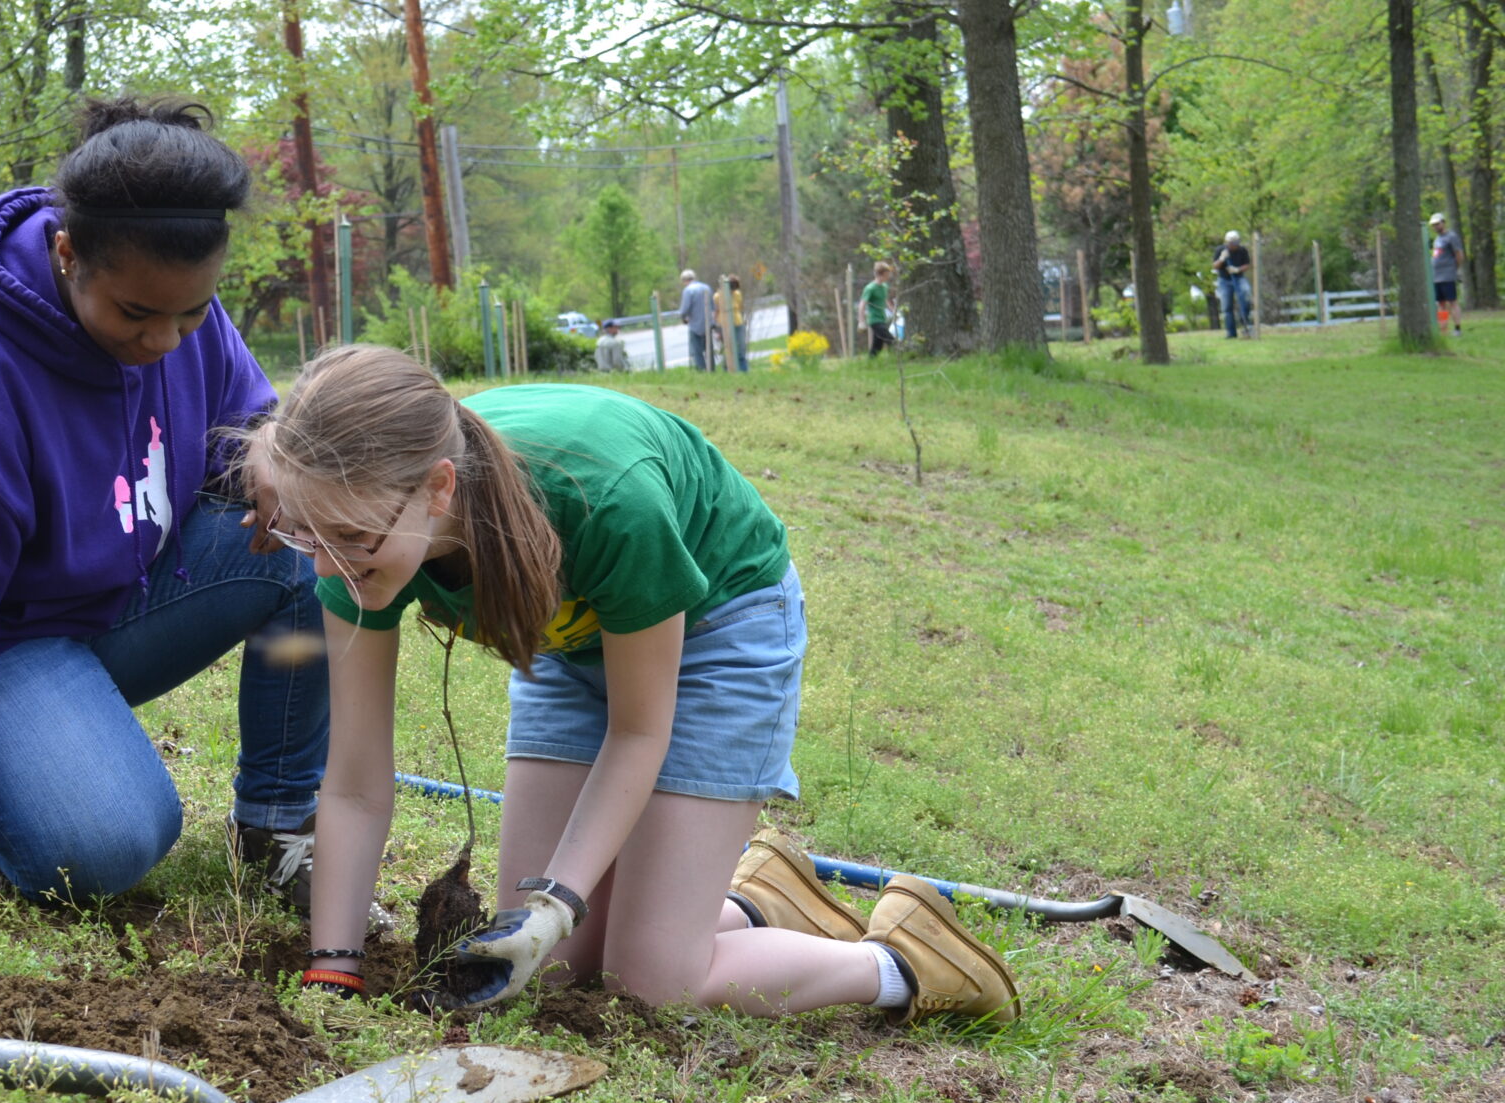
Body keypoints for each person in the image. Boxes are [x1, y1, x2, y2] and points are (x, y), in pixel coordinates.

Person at [241, 344, 1021, 1027]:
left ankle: (905, 960)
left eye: (348, 538)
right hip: (571, 650)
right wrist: (334, 963)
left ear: (439, 489)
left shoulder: (608, 500)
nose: (326, 566)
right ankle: (753, 898)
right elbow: (353, 783)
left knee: (649, 980)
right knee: (547, 969)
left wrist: (556, 902)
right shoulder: (352, 541)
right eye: (309, 536)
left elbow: (640, 729)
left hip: (717, 628)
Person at [0, 96, 329, 927]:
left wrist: (268, 444)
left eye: (191, 313)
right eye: (136, 315)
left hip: (107, 601)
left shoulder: (180, 305)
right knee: (112, 842)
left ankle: (274, 828)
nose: (166, 339)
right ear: (66, 252)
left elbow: (242, 422)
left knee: (306, 536)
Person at [1430, 212, 1465, 336]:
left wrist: (1456, 269)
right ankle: (1443, 328)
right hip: (1436, 276)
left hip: (1448, 275)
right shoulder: (1437, 239)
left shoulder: (1451, 236)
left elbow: (1459, 254)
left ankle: (1457, 328)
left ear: (1443, 223)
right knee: (1441, 303)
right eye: (1433, 225)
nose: (1436, 227)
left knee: (1452, 301)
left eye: (1437, 224)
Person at [1212, 230, 1252, 338]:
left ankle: (1245, 325)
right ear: (1227, 243)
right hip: (1224, 280)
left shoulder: (1242, 250)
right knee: (1226, 307)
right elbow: (1215, 266)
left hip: (1239, 278)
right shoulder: (1220, 250)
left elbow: (1247, 265)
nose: (1234, 245)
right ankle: (1231, 332)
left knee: (1246, 296)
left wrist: (1237, 269)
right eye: (1232, 243)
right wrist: (1221, 259)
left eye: (1236, 243)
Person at [677, 268, 712, 370]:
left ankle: (702, 369)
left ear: (684, 280)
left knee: (697, 351)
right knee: (709, 348)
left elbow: (684, 309)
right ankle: (711, 368)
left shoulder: (688, 291)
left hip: (695, 324)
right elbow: (712, 306)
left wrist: (683, 318)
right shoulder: (706, 288)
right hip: (708, 323)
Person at [862, 262, 895, 357]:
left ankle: (871, 362)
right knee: (890, 339)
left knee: (877, 346)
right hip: (874, 320)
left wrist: (893, 311)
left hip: (882, 318)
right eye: (887, 274)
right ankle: (897, 358)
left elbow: (885, 300)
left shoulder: (884, 286)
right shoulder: (870, 288)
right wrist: (861, 321)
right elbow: (862, 304)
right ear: (882, 274)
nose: (889, 276)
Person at [724, 276, 749, 373]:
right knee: (728, 350)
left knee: (740, 349)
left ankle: (743, 370)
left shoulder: (737, 294)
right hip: (726, 325)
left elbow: (740, 307)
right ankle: (729, 369)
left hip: (738, 323)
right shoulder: (719, 296)